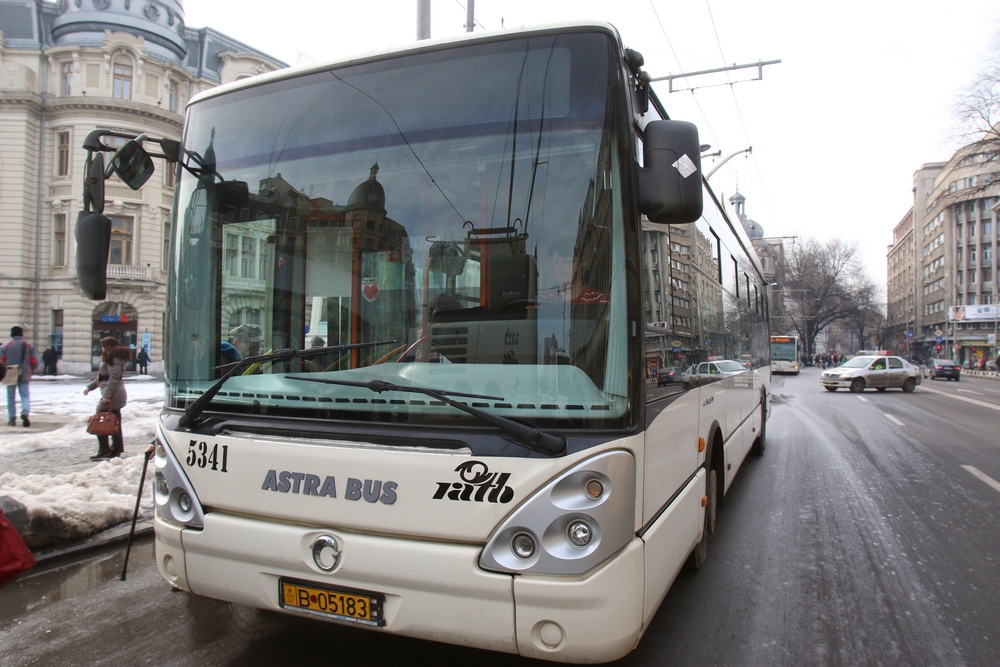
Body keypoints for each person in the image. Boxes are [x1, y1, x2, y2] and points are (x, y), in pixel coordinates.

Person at [83, 337, 131, 459]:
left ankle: (105, 450)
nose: (102, 348)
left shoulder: (113, 357)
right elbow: (102, 377)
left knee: (99, 419)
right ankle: (116, 449)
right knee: (115, 421)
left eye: (103, 346)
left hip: (114, 395)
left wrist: (106, 396)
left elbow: (114, 377)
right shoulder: (110, 357)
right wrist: (90, 387)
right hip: (113, 393)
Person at [1, 326, 38, 427]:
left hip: (10, 374)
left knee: (10, 397)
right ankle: (25, 412)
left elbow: (1, 361)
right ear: (21, 334)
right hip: (24, 373)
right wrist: (30, 370)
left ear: (12, 334)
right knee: (25, 395)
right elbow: (35, 361)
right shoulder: (28, 346)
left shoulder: (5, 346)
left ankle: (12, 418)